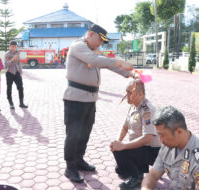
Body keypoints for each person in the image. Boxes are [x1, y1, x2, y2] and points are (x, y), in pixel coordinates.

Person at [63, 23, 136, 183]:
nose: (101, 44)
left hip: (90, 99)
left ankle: (79, 160)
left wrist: (130, 74)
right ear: (90, 34)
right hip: (75, 98)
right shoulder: (78, 47)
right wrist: (119, 61)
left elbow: (105, 63)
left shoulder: (93, 51)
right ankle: (70, 167)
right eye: (100, 40)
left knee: (85, 132)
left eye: (103, 41)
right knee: (73, 134)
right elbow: (96, 60)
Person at [110, 79, 161, 189]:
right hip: (141, 147)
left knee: (120, 152)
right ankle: (137, 167)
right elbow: (124, 127)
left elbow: (147, 138)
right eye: (126, 92)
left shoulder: (147, 110)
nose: (126, 95)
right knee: (117, 150)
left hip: (153, 151)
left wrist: (123, 146)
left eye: (130, 93)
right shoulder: (133, 105)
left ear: (140, 94)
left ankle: (137, 177)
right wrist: (118, 141)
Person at [141, 106, 199, 190]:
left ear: (179, 132)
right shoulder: (167, 146)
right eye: (158, 135)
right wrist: (146, 188)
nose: (160, 140)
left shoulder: (196, 158)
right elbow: (153, 175)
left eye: (162, 135)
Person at [5, 41, 28, 109]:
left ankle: (21, 103)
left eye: (15, 46)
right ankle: (11, 103)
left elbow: (19, 63)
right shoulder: (7, 54)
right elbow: (6, 64)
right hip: (9, 72)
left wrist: (20, 73)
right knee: (9, 88)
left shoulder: (17, 53)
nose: (14, 48)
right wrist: (12, 59)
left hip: (17, 72)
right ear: (9, 46)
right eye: (12, 46)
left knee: (21, 87)